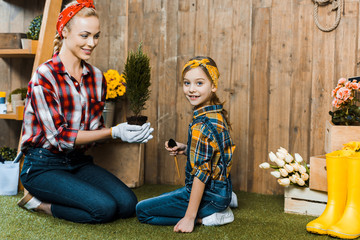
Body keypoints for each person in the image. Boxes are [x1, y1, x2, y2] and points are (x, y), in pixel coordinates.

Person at [17, 0, 153, 224]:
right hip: (42, 166)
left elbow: (93, 131)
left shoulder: (97, 78)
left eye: (96, 36)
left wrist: (127, 133)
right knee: (104, 209)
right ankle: (39, 203)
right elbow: (60, 138)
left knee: (128, 204)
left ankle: (70, 191)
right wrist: (113, 132)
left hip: (77, 161)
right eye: (85, 35)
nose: (92, 43)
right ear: (64, 32)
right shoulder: (45, 76)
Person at [136, 56, 236, 233]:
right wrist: (185, 149)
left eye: (199, 83)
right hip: (222, 189)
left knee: (142, 210)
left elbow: (201, 175)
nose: (191, 90)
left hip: (208, 195)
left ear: (213, 85)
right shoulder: (217, 114)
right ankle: (224, 200)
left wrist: (190, 218)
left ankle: (208, 216)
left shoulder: (201, 125)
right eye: (187, 83)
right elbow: (215, 153)